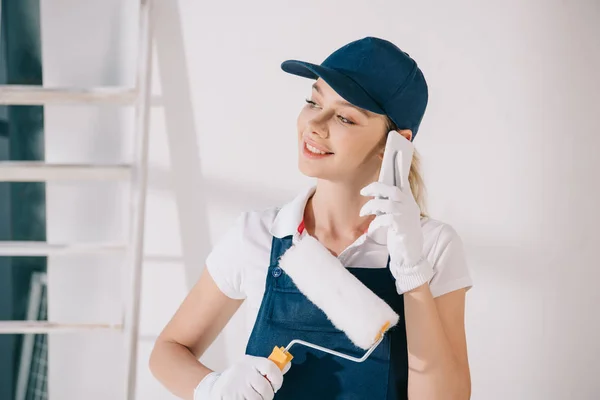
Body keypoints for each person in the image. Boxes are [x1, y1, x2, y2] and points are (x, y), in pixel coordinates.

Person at [150, 37, 473, 400]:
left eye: (345, 117)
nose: (314, 124)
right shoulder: (257, 235)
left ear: (395, 144)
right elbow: (168, 349)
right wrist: (210, 387)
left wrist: (413, 273)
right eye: (313, 101)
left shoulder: (432, 246)